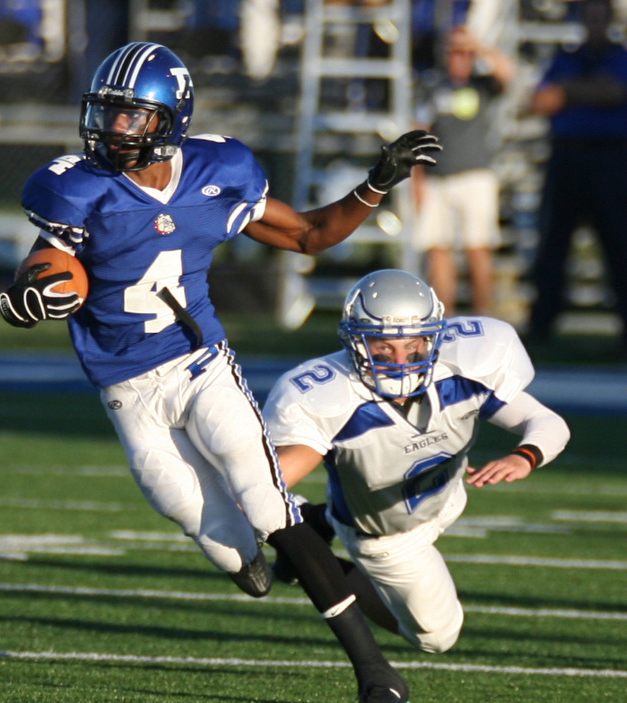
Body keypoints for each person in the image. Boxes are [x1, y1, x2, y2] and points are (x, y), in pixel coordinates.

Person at [0, 42, 441, 703]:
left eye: (130, 117)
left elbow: (309, 236)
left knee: (266, 505)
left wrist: (374, 183)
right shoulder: (73, 186)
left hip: (203, 366)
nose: (111, 129)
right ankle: (303, 537)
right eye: (106, 114)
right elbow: (46, 264)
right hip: (126, 390)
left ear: (168, 119)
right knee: (234, 550)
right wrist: (26, 296)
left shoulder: (220, 169)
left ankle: (375, 672)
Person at [263, 269, 570, 660]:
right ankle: (313, 556)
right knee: (436, 637)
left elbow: (547, 423)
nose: (400, 360)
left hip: (448, 496)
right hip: (387, 536)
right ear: (355, 342)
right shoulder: (333, 396)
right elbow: (274, 479)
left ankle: (317, 522)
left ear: (434, 337)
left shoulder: (462, 371)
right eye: (382, 348)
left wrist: (524, 456)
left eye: (413, 347)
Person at [527, 0, 627, 347]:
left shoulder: (619, 57)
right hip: (568, 156)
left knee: (619, 244)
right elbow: (540, 100)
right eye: (589, 16)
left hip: (610, 158)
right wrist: (590, 93)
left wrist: (569, 93)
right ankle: (542, 325)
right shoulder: (567, 57)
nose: (594, 24)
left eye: (600, 17)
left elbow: (616, 91)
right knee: (554, 242)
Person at [413, 25, 516, 315]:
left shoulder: (483, 85)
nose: (458, 58)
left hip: (475, 176)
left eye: (463, 52)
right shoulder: (433, 86)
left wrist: (479, 46)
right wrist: (416, 179)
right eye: (453, 52)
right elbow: (418, 133)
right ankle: (444, 318)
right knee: (438, 250)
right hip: (437, 178)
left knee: (478, 248)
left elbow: (509, 73)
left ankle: (483, 317)